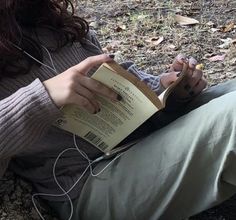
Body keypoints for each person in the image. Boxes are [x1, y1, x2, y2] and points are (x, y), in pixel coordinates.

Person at [0, 0, 235, 220]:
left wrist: (167, 89)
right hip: (88, 183)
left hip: (139, 142)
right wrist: (43, 98)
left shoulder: (42, 16)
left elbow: (113, 79)